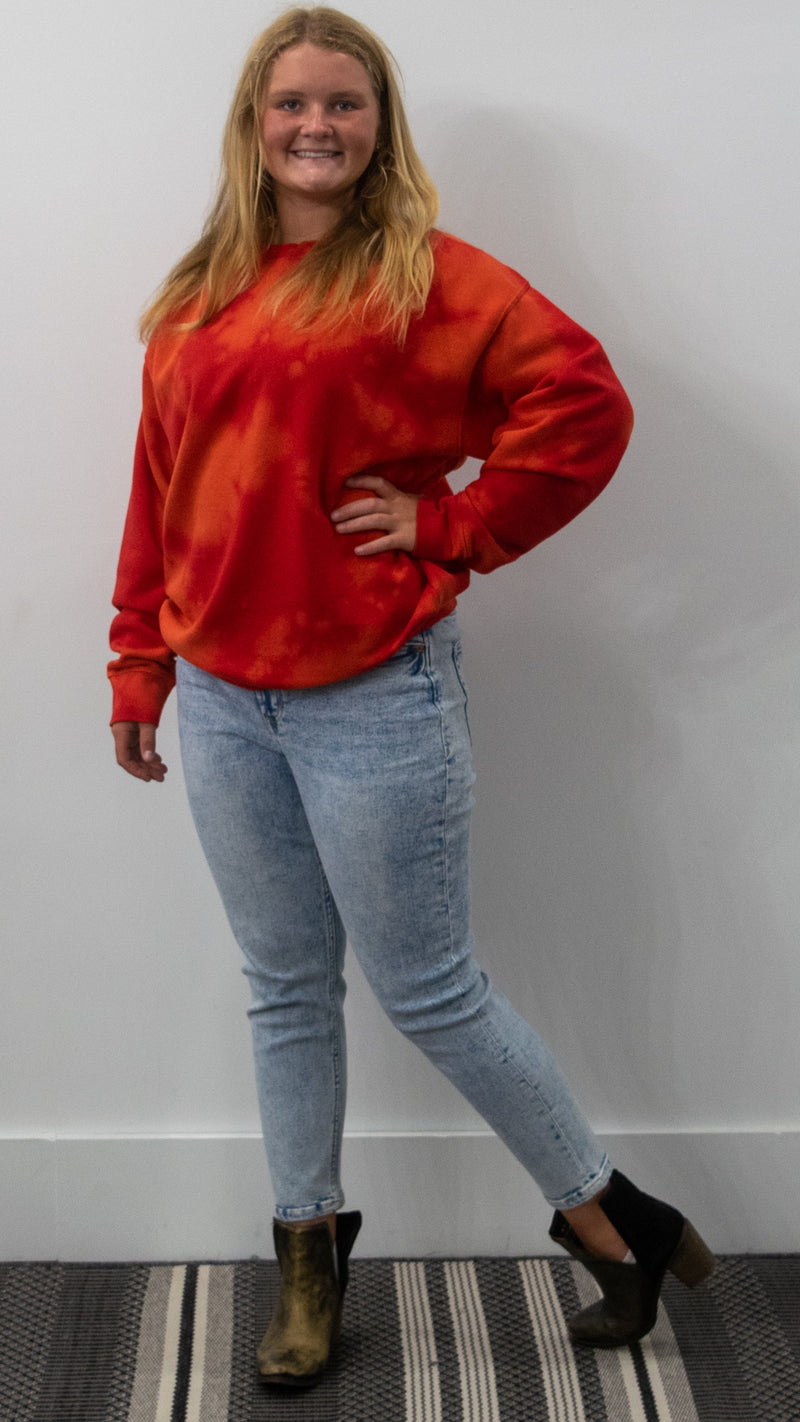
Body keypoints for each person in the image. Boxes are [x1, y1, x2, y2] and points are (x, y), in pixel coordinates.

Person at [109, 5, 714, 1387]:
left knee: (430, 990)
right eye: (290, 103)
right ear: (253, 124)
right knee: (283, 988)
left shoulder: (429, 279)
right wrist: (139, 655)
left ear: (381, 126)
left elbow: (586, 406)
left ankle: (608, 1216)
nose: (315, 126)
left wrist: (454, 526)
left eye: (345, 102)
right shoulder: (201, 287)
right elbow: (160, 485)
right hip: (221, 694)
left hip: (373, 693)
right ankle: (307, 1253)